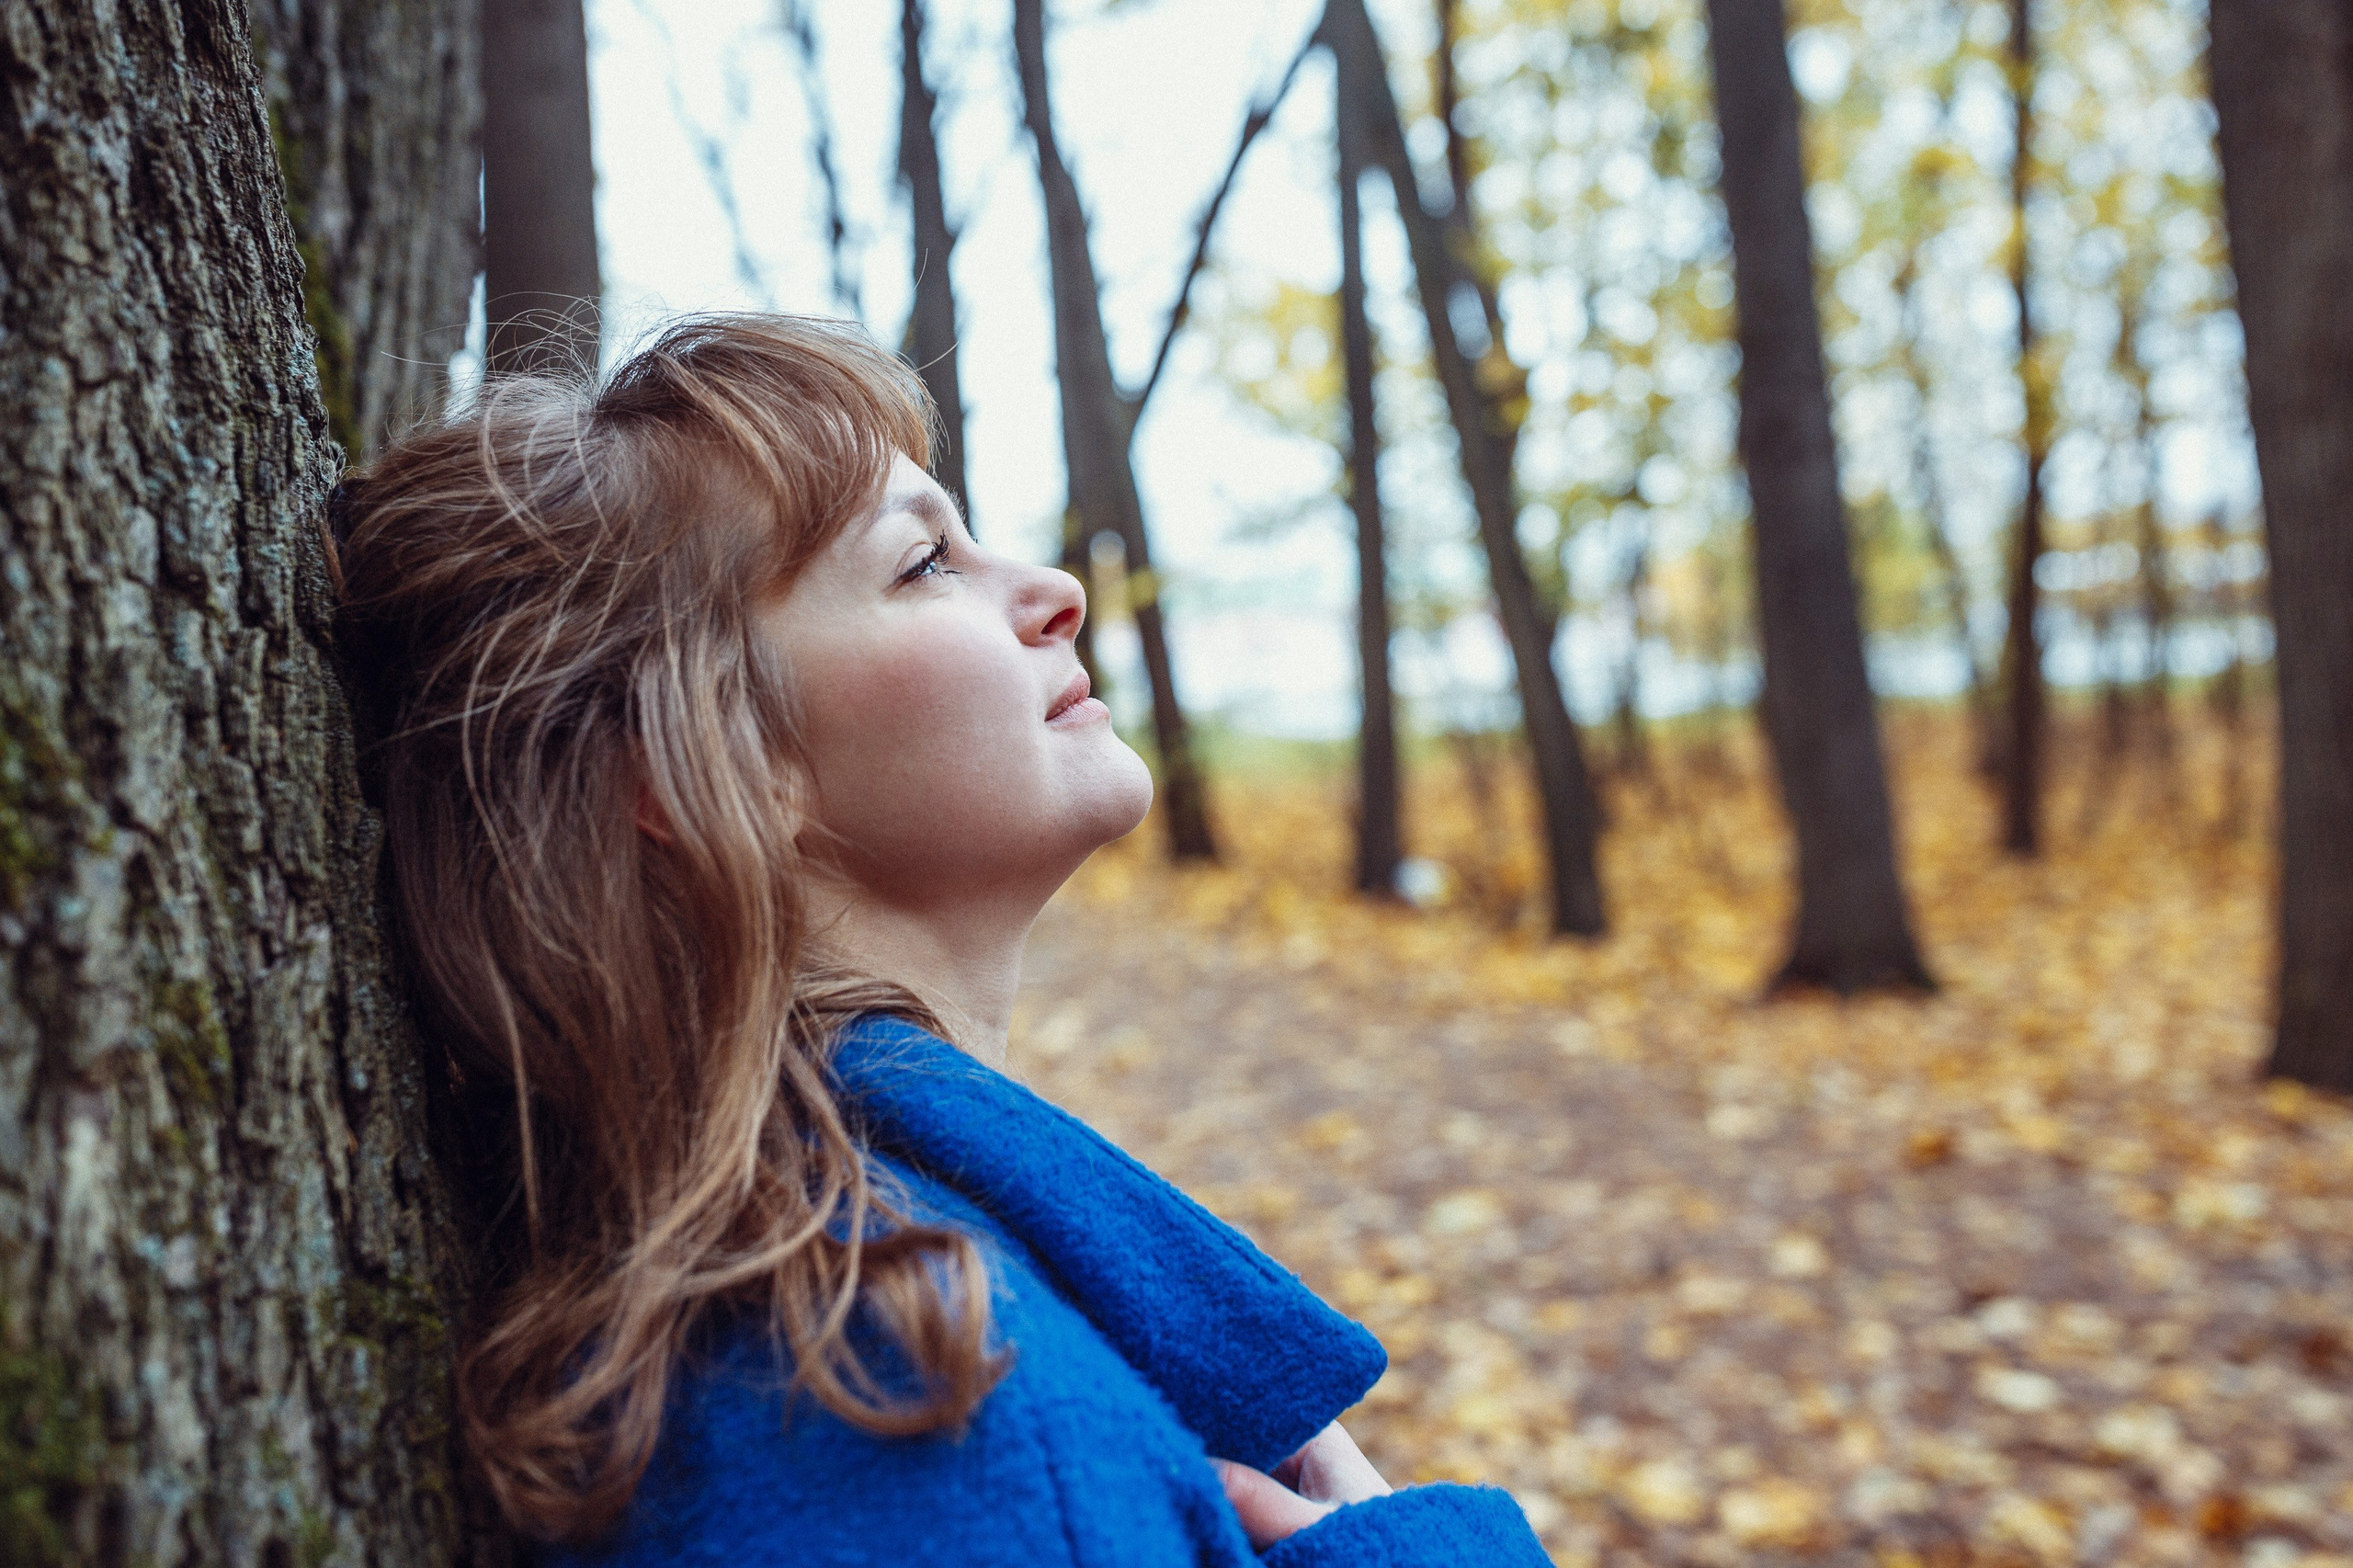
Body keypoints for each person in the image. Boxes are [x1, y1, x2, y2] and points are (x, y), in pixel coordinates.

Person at [327, 314, 1549, 1564]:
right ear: (710, 766)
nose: (1055, 592)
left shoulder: (888, 1320)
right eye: (923, 563)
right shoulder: (916, 1404)